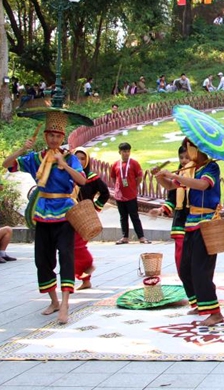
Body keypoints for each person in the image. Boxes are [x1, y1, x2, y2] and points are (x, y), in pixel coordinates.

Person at [3, 109, 89, 324]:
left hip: (65, 213)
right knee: (42, 259)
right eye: (50, 135)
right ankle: (54, 301)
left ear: (62, 138)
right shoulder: (35, 159)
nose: (53, 139)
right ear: (45, 136)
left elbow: (82, 181)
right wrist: (22, 148)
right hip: (42, 213)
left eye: (57, 136)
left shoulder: (69, 157)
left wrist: (64, 164)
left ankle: (66, 302)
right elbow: (7, 165)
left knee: (66, 255)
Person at [155, 138, 224, 326]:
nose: (187, 153)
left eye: (189, 149)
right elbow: (171, 187)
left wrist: (175, 175)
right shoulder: (190, 169)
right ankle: (200, 304)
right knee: (186, 268)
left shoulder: (211, 168)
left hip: (206, 222)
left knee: (201, 269)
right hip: (190, 223)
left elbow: (202, 185)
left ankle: (215, 312)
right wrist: (162, 177)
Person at [72, 147, 109, 290]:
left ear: (87, 161)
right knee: (70, 247)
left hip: (85, 216)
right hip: (69, 214)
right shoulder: (69, 174)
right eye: (77, 158)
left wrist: (96, 208)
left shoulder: (92, 177)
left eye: (82, 158)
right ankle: (84, 279)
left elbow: (105, 193)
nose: (80, 161)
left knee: (78, 245)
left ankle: (89, 264)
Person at [151, 145, 192, 270]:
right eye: (181, 158)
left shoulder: (199, 176)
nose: (184, 161)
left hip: (195, 220)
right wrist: (161, 209)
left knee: (195, 258)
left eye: (187, 158)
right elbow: (172, 198)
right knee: (180, 258)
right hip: (180, 221)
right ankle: (186, 283)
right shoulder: (178, 175)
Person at [110, 142, 149, 245]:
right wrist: (118, 187)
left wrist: (133, 186)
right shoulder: (115, 164)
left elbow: (139, 177)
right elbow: (113, 177)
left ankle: (141, 237)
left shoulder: (134, 163)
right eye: (124, 151)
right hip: (119, 196)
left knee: (134, 216)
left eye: (128, 151)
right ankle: (125, 237)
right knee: (123, 217)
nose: (126, 154)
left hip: (131, 194)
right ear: (119, 152)